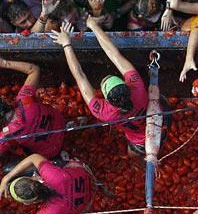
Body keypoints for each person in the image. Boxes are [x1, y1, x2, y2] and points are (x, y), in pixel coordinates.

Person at [50, 19, 148, 157]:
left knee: (133, 155)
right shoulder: (138, 89)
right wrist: (94, 26)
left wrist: (66, 44)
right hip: (158, 126)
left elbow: (80, 76)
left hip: (140, 140)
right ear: (126, 85)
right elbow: (115, 55)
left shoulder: (105, 113)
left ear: (107, 100)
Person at [0, 58, 64, 160]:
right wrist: (4, 63)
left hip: (52, 151)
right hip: (60, 121)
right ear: (6, 103)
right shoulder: (23, 99)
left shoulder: (6, 136)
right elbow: (34, 70)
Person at [0, 153, 94, 213]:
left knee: (6, 169)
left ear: (28, 203)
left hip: (86, 204)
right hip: (86, 178)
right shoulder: (53, 176)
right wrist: (7, 178)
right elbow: (34, 157)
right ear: (34, 179)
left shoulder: (50, 211)